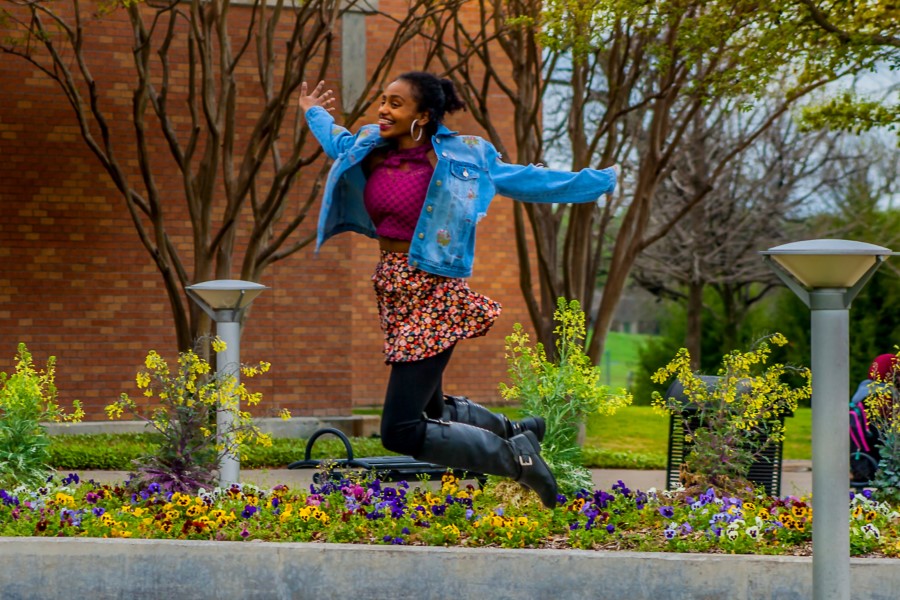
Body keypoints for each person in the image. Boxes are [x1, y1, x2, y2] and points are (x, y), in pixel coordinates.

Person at [298, 72, 619, 508]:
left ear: (423, 115)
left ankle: (516, 459)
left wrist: (594, 182)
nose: (383, 110)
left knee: (400, 430)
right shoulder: (370, 146)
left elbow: (523, 179)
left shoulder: (462, 155)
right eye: (382, 101)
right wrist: (313, 112)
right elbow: (337, 143)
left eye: (396, 103)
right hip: (393, 288)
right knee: (430, 414)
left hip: (435, 292)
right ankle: (516, 430)